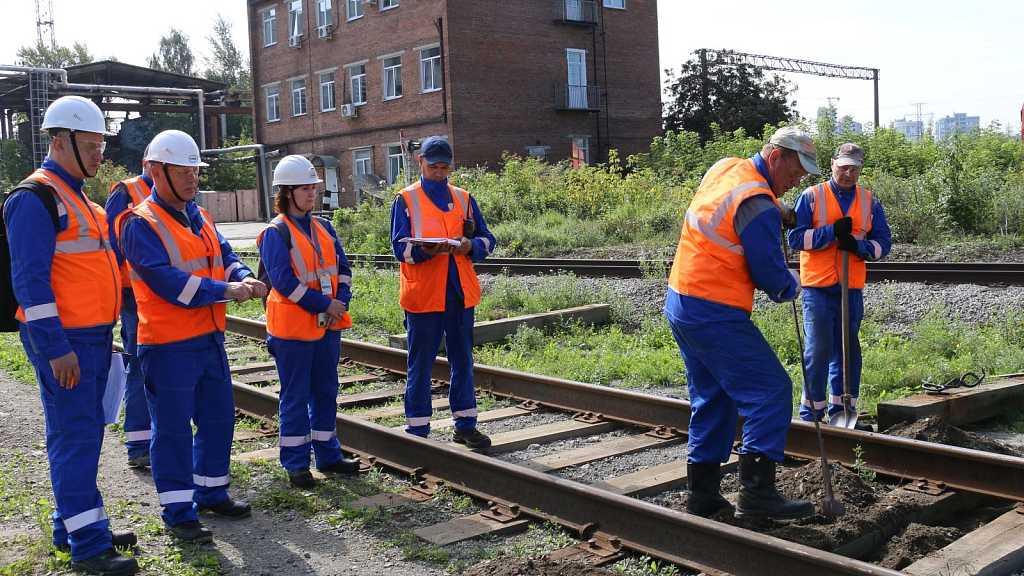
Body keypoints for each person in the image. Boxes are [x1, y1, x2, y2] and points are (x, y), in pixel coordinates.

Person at [4, 95, 139, 574]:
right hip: (66, 342)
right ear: (60, 142)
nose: (100, 151)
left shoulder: (82, 198)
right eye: (91, 143)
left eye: (102, 142)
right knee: (75, 436)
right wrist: (56, 348)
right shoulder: (34, 198)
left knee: (83, 434)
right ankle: (88, 547)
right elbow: (31, 283)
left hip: (92, 338)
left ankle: (77, 526)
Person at [663, 126, 818, 520]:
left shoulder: (726, 168)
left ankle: (703, 496)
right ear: (776, 156)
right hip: (714, 310)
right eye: (795, 172)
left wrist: (779, 209)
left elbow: (733, 209)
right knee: (771, 391)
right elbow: (769, 275)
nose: (795, 181)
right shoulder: (758, 203)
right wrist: (792, 285)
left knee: (713, 398)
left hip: (682, 300)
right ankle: (757, 494)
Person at [119, 130, 266, 543]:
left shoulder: (200, 217)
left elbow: (225, 256)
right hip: (167, 346)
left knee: (218, 418)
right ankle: (179, 511)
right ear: (155, 171)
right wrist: (224, 290)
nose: (191, 179)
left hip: (208, 339)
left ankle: (211, 490)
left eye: (194, 171)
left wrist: (243, 276)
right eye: (182, 171)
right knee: (173, 430)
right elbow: (169, 283)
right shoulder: (139, 223)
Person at [257, 155, 360, 489]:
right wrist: (326, 303)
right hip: (292, 330)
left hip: (326, 325)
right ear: (287, 192)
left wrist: (340, 301)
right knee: (295, 396)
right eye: (305, 188)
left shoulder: (324, 227)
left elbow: (343, 269)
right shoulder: (276, 232)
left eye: (314, 188)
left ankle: (328, 456)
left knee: (326, 392)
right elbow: (283, 282)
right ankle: (296, 464)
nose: (312, 193)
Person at [389, 136, 497, 451]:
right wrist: (428, 250)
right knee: (420, 362)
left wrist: (471, 246)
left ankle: (465, 425)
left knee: (462, 361)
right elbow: (399, 248)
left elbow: (488, 239)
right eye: (433, 165)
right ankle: (417, 430)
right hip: (423, 296)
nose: (439, 171)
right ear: (420, 162)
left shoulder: (464, 198)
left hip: (459, 294)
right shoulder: (406, 199)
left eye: (444, 166)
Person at [787, 143, 891, 428]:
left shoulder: (870, 201)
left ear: (860, 169)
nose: (848, 172)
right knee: (818, 349)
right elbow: (795, 239)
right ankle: (811, 412)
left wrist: (858, 246)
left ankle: (842, 409)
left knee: (847, 351)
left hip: (851, 287)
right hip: (818, 288)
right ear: (832, 164)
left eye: (854, 168)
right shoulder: (811, 197)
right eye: (843, 166)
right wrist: (830, 233)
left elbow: (884, 244)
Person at [105, 159, 154, 468]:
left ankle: (155, 439)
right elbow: (112, 244)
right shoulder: (127, 191)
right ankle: (138, 444)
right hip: (134, 294)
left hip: (164, 294)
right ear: (148, 163)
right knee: (140, 363)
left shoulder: (178, 192)